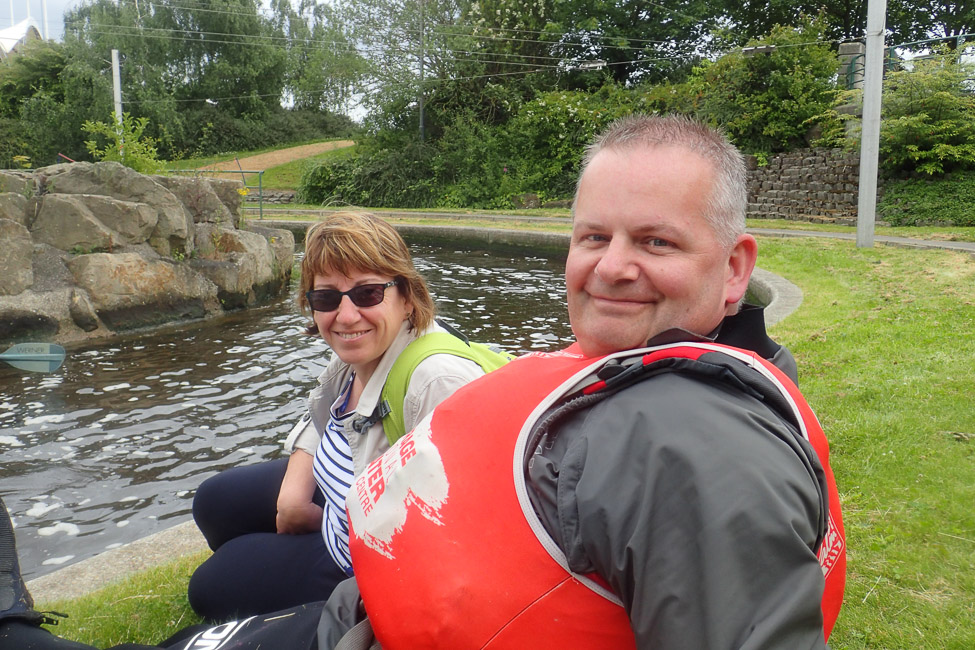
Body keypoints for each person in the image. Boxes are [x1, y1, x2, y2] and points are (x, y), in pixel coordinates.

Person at [0, 114, 845, 650]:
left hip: (373, 611)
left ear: (734, 269)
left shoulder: (690, 446)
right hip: (381, 609)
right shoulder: (630, 376)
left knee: (205, 598)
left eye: (655, 242)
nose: (611, 267)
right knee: (219, 524)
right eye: (593, 237)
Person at [187, 211, 510, 620]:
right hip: (344, 488)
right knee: (214, 502)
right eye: (326, 298)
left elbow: (470, 534)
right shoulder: (365, 348)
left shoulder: (437, 383)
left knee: (210, 586)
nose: (346, 316)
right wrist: (292, 498)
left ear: (407, 296)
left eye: (367, 293)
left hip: (361, 561)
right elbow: (321, 414)